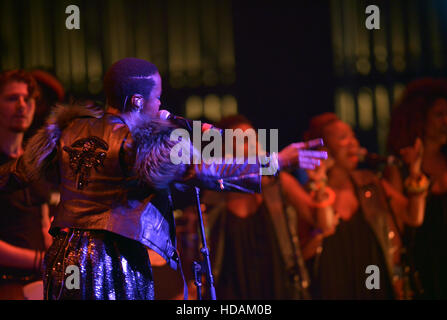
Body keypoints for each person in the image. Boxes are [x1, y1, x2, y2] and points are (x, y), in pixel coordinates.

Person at [0, 58, 325, 300]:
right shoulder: (140, 141)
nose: (161, 104)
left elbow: (17, 174)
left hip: (64, 257)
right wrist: (275, 160)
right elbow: (202, 172)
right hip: (114, 258)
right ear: (139, 101)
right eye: (157, 96)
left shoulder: (67, 130)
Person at [201, 115, 332, 300]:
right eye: (244, 140)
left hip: (279, 287)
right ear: (224, 149)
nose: (253, 144)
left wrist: (319, 182)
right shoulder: (215, 192)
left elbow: (323, 224)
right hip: (231, 291)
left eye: (254, 138)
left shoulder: (279, 183)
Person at [301, 113, 428, 300]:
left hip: (373, 281)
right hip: (333, 286)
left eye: (353, 136)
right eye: (343, 138)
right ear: (324, 149)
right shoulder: (310, 195)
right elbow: (302, 252)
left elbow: (413, 217)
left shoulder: (370, 183)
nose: (353, 143)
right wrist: (320, 184)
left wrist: (415, 171)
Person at [386, 78, 447, 299]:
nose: (446, 121)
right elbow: (396, 229)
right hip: (422, 267)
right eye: (439, 115)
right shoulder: (399, 170)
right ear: (420, 119)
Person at [0, 70, 53, 299]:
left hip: (40, 279)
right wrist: (39, 260)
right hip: (6, 282)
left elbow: (43, 224)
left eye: (27, 99)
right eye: (12, 98)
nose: (22, 105)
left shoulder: (34, 161)